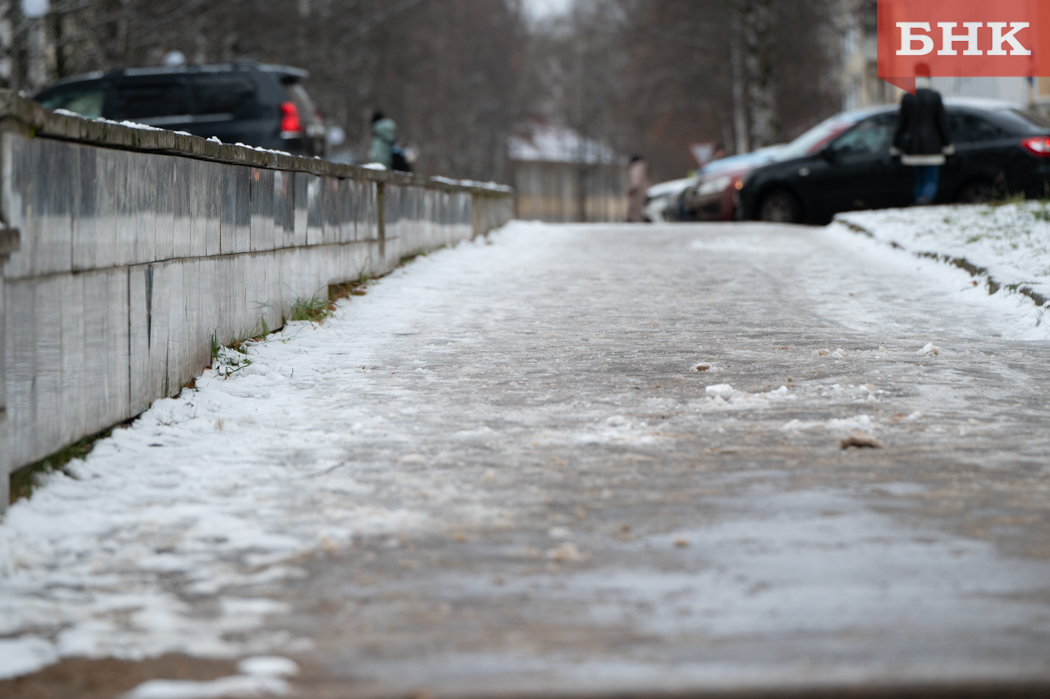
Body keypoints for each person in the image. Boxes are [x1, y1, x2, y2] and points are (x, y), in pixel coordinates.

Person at [891, 66, 954, 205]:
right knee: (931, 180)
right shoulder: (935, 96)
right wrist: (948, 146)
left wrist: (895, 148)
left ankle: (919, 203)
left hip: (912, 147)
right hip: (933, 147)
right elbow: (942, 123)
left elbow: (900, 125)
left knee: (919, 180)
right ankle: (925, 200)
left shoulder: (907, 97)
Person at [626, 155, 650, 223]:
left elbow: (635, 182)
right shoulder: (644, 167)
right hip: (642, 193)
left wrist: (629, 190)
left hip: (636, 194)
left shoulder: (636, 168)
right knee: (639, 212)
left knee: (634, 214)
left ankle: (635, 229)